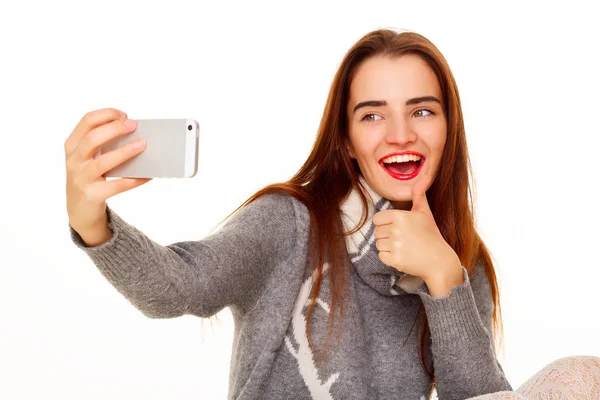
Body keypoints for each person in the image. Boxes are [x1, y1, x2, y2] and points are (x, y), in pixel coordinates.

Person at [65, 29, 599, 400]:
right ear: (346, 141)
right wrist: (92, 219)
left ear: (446, 128)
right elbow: (179, 288)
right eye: (373, 115)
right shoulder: (288, 222)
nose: (400, 134)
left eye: (421, 110)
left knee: (583, 377)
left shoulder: (459, 261)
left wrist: (443, 279)